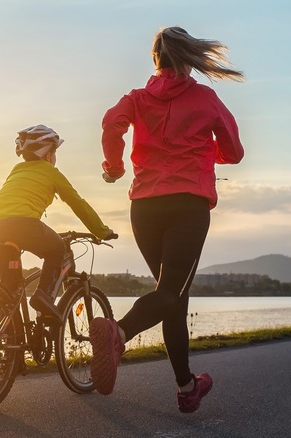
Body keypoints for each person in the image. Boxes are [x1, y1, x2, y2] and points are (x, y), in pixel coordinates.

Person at [89, 26, 245, 413]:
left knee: (172, 297)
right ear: (189, 58)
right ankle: (118, 332)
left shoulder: (138, 98)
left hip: (144, 207)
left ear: (155, 59)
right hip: (186, 204)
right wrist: (208, 153)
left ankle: (186, 386)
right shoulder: (205, 97)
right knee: (170, 294)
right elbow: (234, 151)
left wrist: (114, 166)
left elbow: (112, 124)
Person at [0, 124, 114, 324]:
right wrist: (101, 231)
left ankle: (12, 349)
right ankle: (43, 296)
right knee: (58, 250)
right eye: (55, 152)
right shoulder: (51, 172)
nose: (55, 157)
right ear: (48, 154)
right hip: (24, 225)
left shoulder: (17, 169)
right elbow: (77, 203)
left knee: (9, 291)